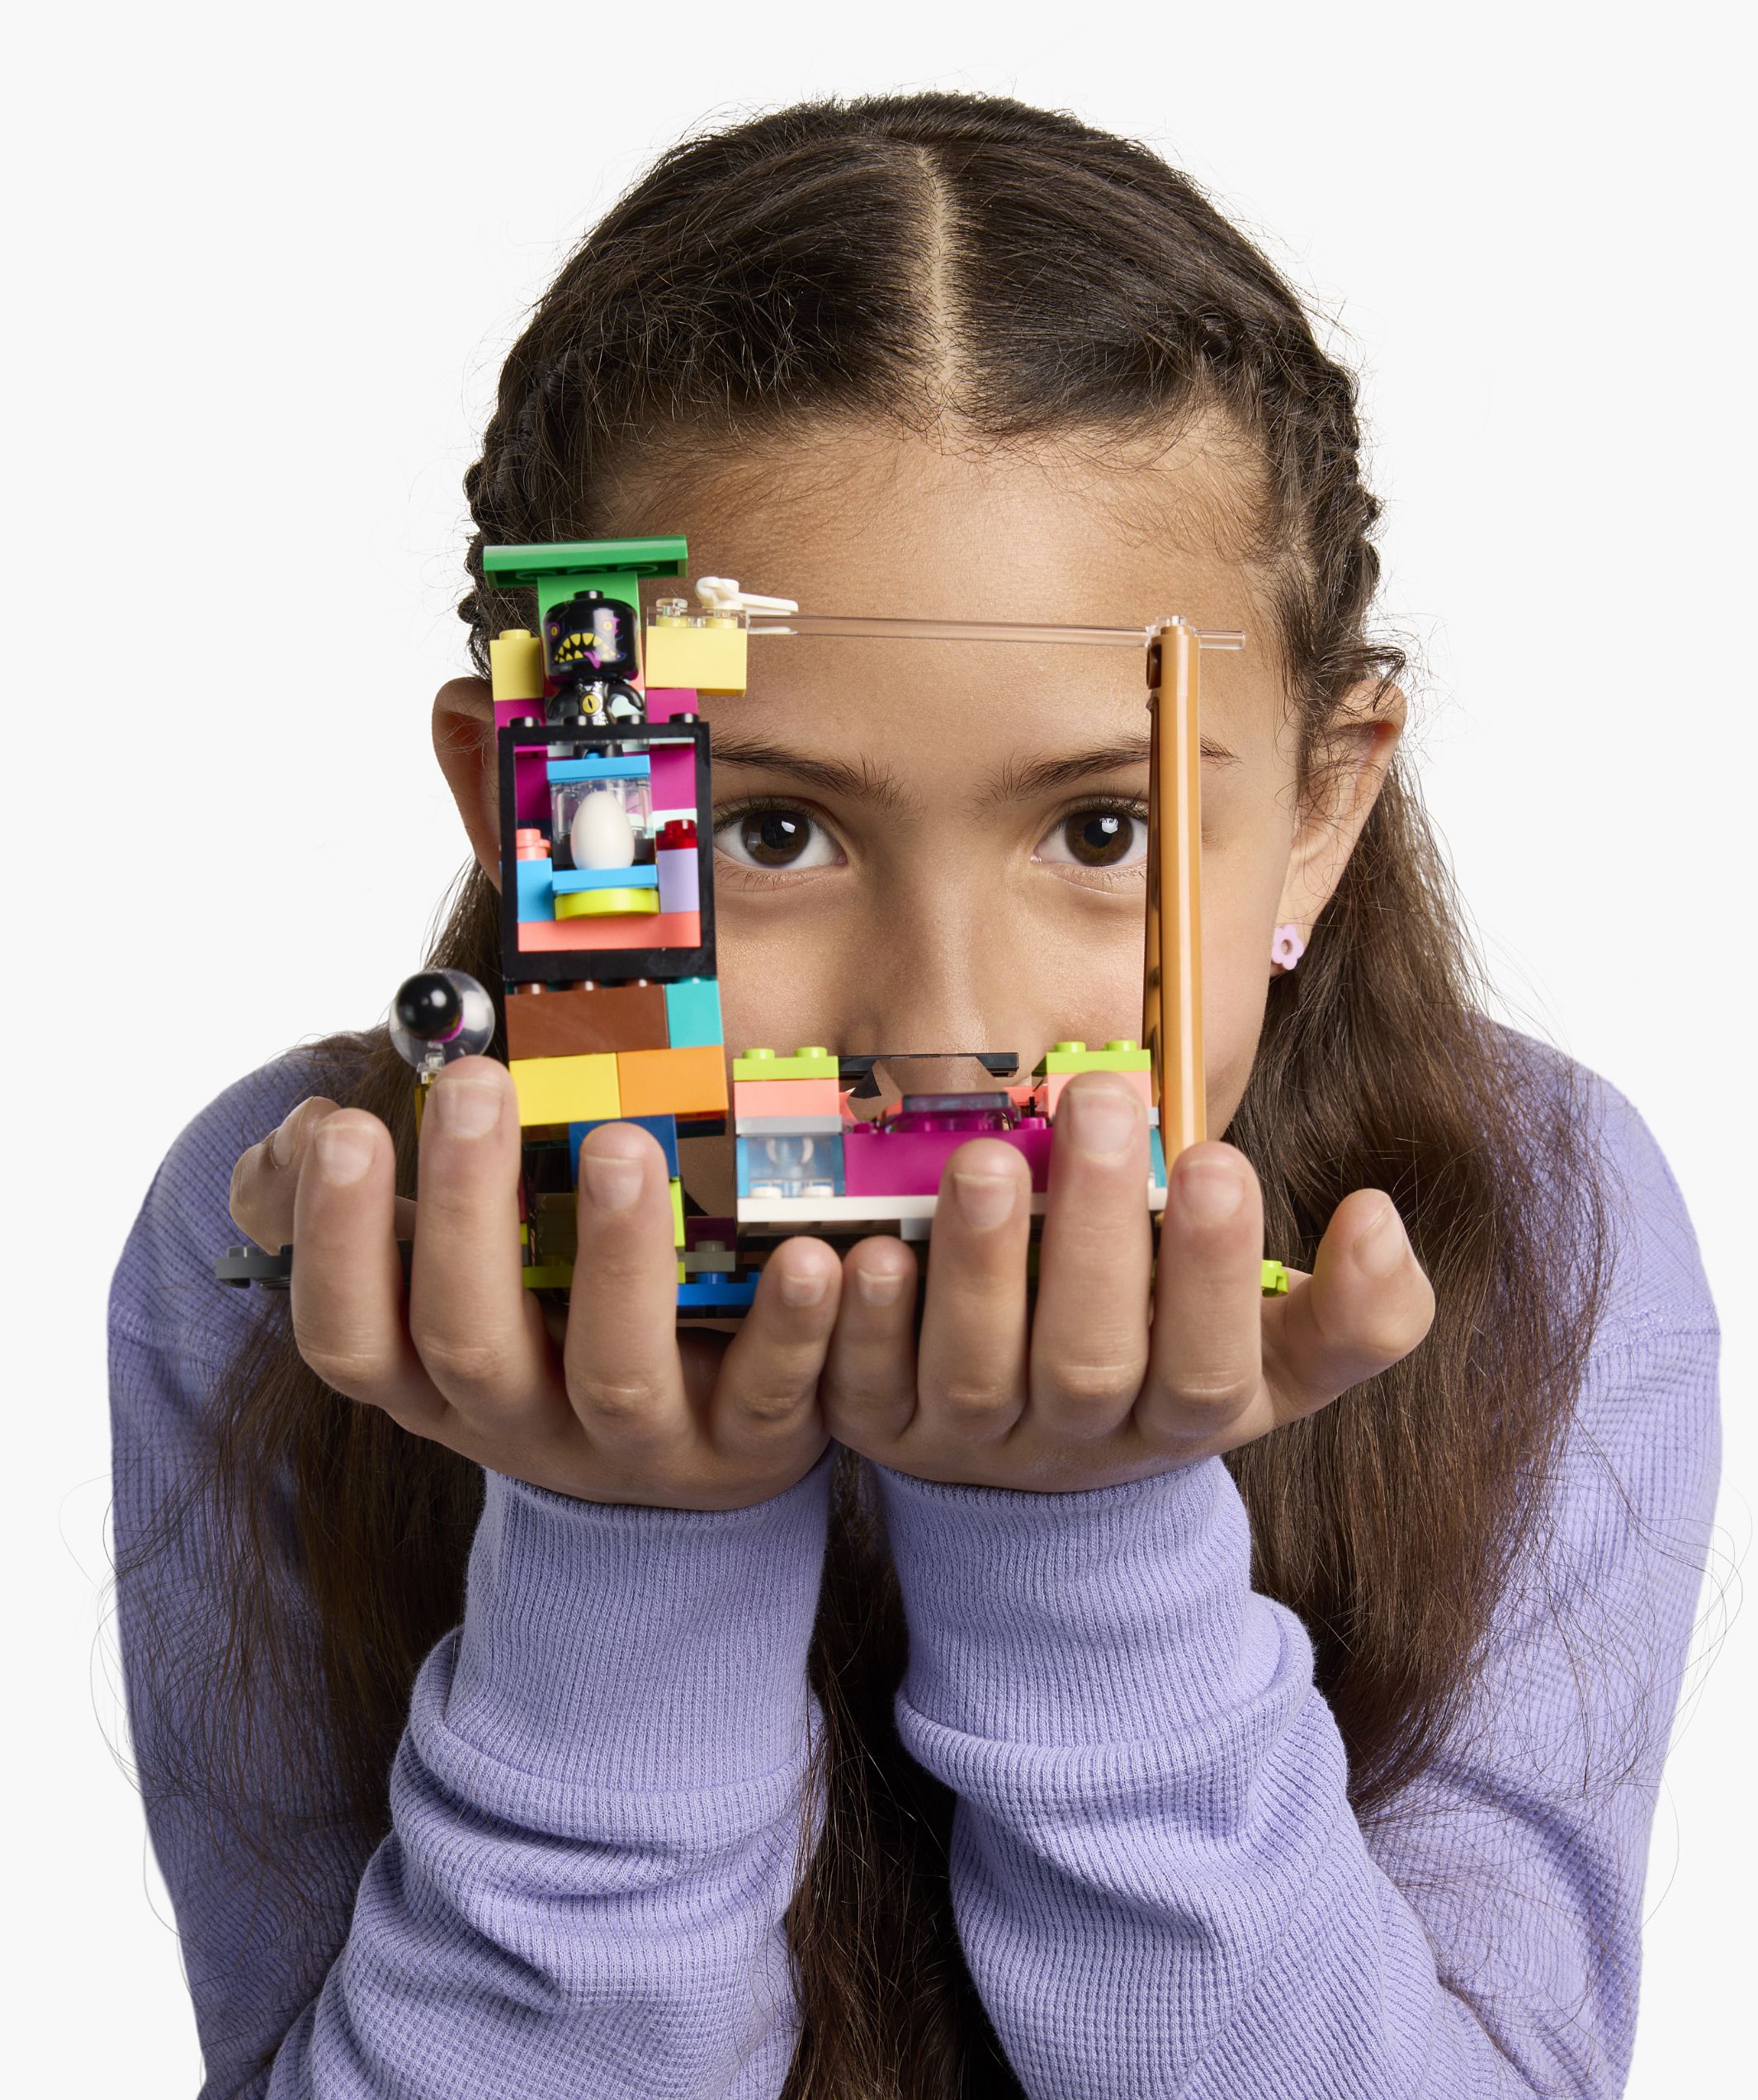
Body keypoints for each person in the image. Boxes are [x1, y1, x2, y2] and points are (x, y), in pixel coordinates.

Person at [106, 90, 1721, 2099]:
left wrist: (1083, 1554)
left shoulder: (1537, 1210)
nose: (939, 1024)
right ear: (530, 806)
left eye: (1101, 828)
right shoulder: (289, 1230)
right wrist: (623, 1552)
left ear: (1319, 809)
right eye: (775, 832)